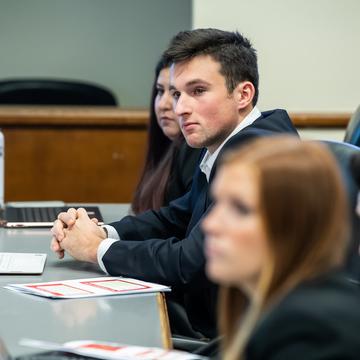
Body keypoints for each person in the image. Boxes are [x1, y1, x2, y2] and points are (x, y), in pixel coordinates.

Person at [50, 28, 298, 338]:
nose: (179, 108)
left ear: (243, 95)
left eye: (198, 91)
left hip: (233, 339)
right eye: (177, 93)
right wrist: (101, 231)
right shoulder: (226, 145)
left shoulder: (254, 155)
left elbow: (190, 262)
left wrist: (97, 249)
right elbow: (175, 217)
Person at [202, 136, 360, 360]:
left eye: (240, 209)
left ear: (296, 224)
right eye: (218, 203)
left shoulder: (312, 330)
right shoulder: (264, 305)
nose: (211, 224)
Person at [131, 56, 201, 214]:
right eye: (160, 91)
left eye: (175, 93)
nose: (163, 104)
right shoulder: (165, 146)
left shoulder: (196, 150)